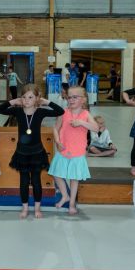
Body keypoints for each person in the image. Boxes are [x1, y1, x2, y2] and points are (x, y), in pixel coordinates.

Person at [0, 84, 64, 219]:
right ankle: (25, 207)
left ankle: (37, 208)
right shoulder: (17, 111)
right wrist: (13, 102)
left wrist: (46, 102)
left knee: (36, 181)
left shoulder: (40, 111)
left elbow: (60, 111)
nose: (27, 100)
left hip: (37, 153)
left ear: (37, 98)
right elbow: (0, 109)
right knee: (23, 181)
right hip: (22, 153)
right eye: (24, 97)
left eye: (30, 97)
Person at [48, 86, 98, 215]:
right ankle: (65, 195)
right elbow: (55, 128)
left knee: (74, 178)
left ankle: (71, 203)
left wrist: (82, 123)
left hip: (77, 152)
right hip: (63, 149)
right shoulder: (63, 113)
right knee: (56, 173)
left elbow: (96, 128)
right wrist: (58, 141)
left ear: (83, 100)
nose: (71, 99)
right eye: (69, 97)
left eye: (75, 97)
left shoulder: (86, 114)